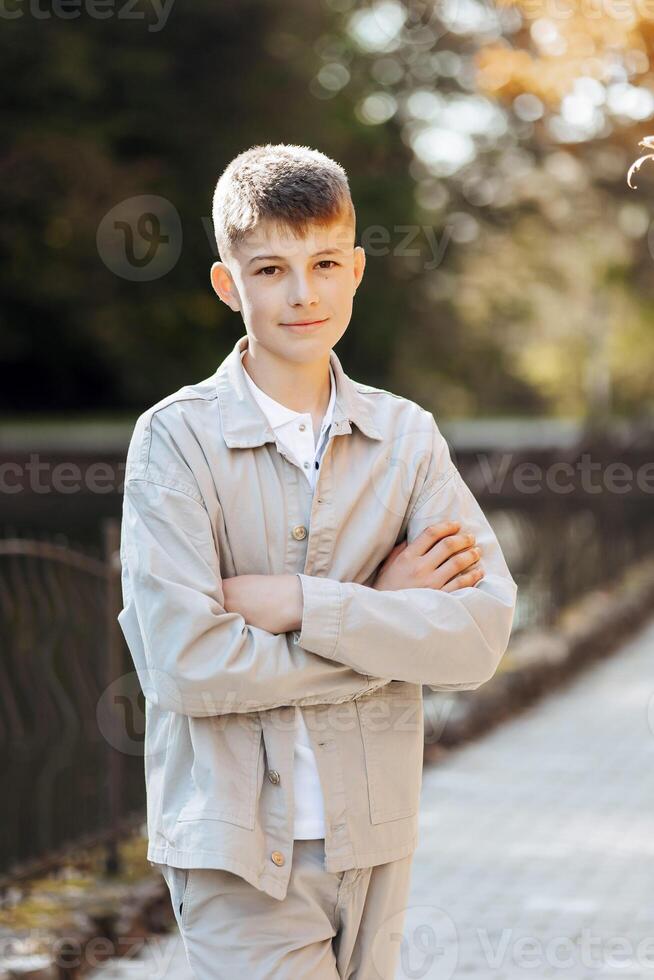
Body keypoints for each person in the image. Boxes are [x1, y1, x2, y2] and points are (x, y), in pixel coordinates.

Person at [117, 142, 518, 979]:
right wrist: (383, 622)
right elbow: (187, 667)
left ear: (357, 271)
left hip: (376, 838)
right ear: (230, 286)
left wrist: (306, 602)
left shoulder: (406, 437)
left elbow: (477, 639)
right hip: (237, 853)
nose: (303, 293)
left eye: (325, 262)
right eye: (270, 269)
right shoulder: (175, 443)